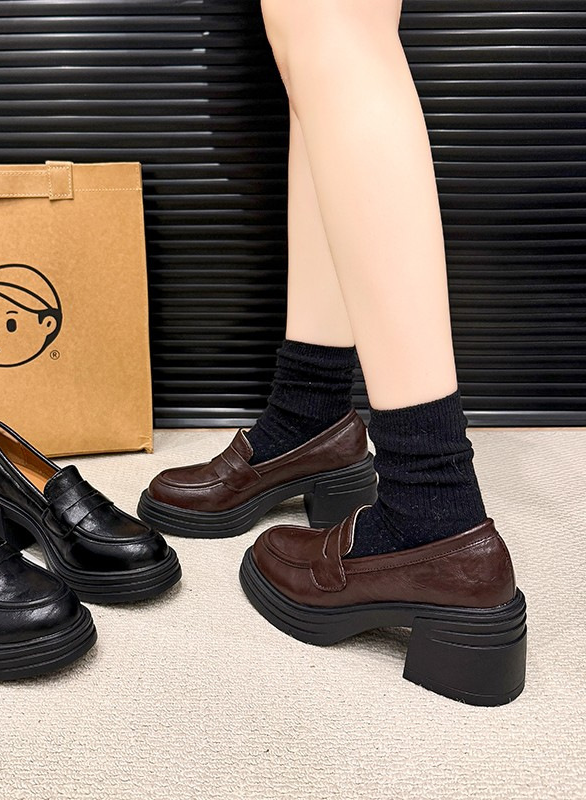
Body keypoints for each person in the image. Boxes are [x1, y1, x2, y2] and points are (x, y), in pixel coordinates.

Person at [139, 1, 526, 705]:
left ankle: (435, 509)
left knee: (329, 25)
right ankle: (311, 413)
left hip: (435, 517)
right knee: (313, 54)